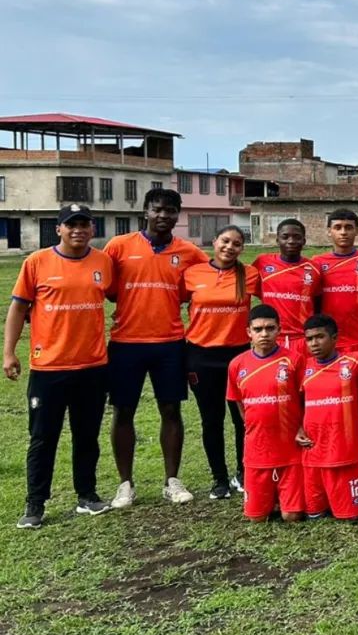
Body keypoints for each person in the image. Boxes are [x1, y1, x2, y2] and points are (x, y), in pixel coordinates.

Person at [4, 204, 115, 527]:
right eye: (71, 225)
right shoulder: (37, 262)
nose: (78, 230)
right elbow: (17, 309)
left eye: (84, 224)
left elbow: (115, 296)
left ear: (93, 229)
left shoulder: (102, 262)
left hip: (92, 366)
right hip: (48, 369)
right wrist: (8, 353)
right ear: (59, 229)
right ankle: (35, 504)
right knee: (43, 437)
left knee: (87, 435)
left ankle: (87, 495)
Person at [105, 186, 208, 508]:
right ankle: (125, 484)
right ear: (145, 211)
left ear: (178, 215)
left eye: (170, 211)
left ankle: (171, 481)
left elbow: (210, 276)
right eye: (157, 209)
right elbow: (106, 290)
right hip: (125, 342)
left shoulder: (189, 252)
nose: (163, 216)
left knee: (171, 409)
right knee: (123, 410)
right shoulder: (119, 247)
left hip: (170, 343)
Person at [181, 225, 259, 500]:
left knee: (242, 419)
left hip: (238, 356)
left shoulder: (250, 274)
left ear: (242, 249)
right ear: (214, 241)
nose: (229, 247)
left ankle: (244, 473)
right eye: (225, 241)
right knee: (211, 420)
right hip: (201, 356)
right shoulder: (192, 274)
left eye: (237, 244)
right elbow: (173, 301)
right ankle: (219, 479)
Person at [227, 304, 305, 522]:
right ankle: (269, 498)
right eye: (258, 329)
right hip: (257, 451)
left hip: (290, 450)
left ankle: (284, 498)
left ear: (279, 330)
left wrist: (300, 426)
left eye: (270, 328)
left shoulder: (295, 360)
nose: (264, 334)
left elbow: (305, 398)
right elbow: (239, 404)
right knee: (256, 518)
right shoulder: (236, 365)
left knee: (292, 516)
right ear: (248, 332)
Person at [296, 314, 358, 521]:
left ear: (335, 338)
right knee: (314, 515)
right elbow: (294, 404)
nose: (314, 343)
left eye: (320, 337)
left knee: (350, 516)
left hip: (344, 453)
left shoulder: (354, 363)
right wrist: (297, 428)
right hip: (313, 452)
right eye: (309, 339)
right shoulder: (302, 367)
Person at [254, 219, 319, 362]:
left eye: (297, 237)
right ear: (277, 240)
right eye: (285, 237)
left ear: (304, 241)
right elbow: (255, 291)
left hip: (302, 338)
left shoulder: (315, 269)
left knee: (303, 382)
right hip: (271, 337)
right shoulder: (262, 263)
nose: (291, 241)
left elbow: (317, 302)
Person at [313, 208, 358, 361]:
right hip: (328, 340)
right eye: (337, 227)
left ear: (357, 230)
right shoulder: (317, 263)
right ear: (329, 231)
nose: (343, 232)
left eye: (348, 227)